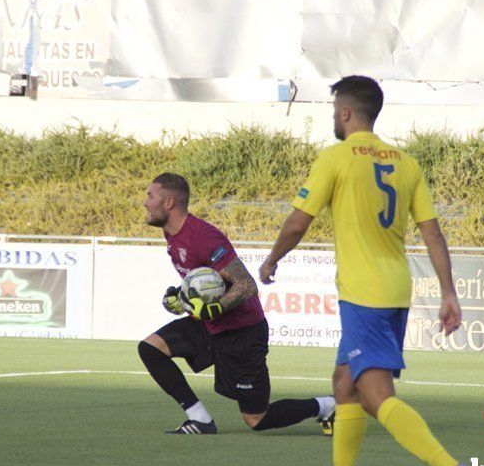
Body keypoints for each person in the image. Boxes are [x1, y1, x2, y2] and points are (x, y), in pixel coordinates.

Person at [258, 75, 474, 466]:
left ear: (345, 112)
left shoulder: (336, 158)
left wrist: (271, 258)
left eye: (334, 108)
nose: (333, 116)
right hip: (393, 290)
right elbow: (432, 233)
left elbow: (299, 221)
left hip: (364, 295)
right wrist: (449, 291)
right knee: (344, 384)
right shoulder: (406, 162)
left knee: (376, 397)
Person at [137, 172, 335, 435]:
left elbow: (246, 285)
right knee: (150, 349)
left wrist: (216, 308)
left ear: (169, 202)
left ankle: (327, 406)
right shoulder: (171, 234)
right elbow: (204, 282)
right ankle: (200, 420)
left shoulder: (203, 237)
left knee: (256, 419)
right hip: (209, 326)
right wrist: (180, 296)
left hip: (242, 332)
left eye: (150, 196)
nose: (145, 202)